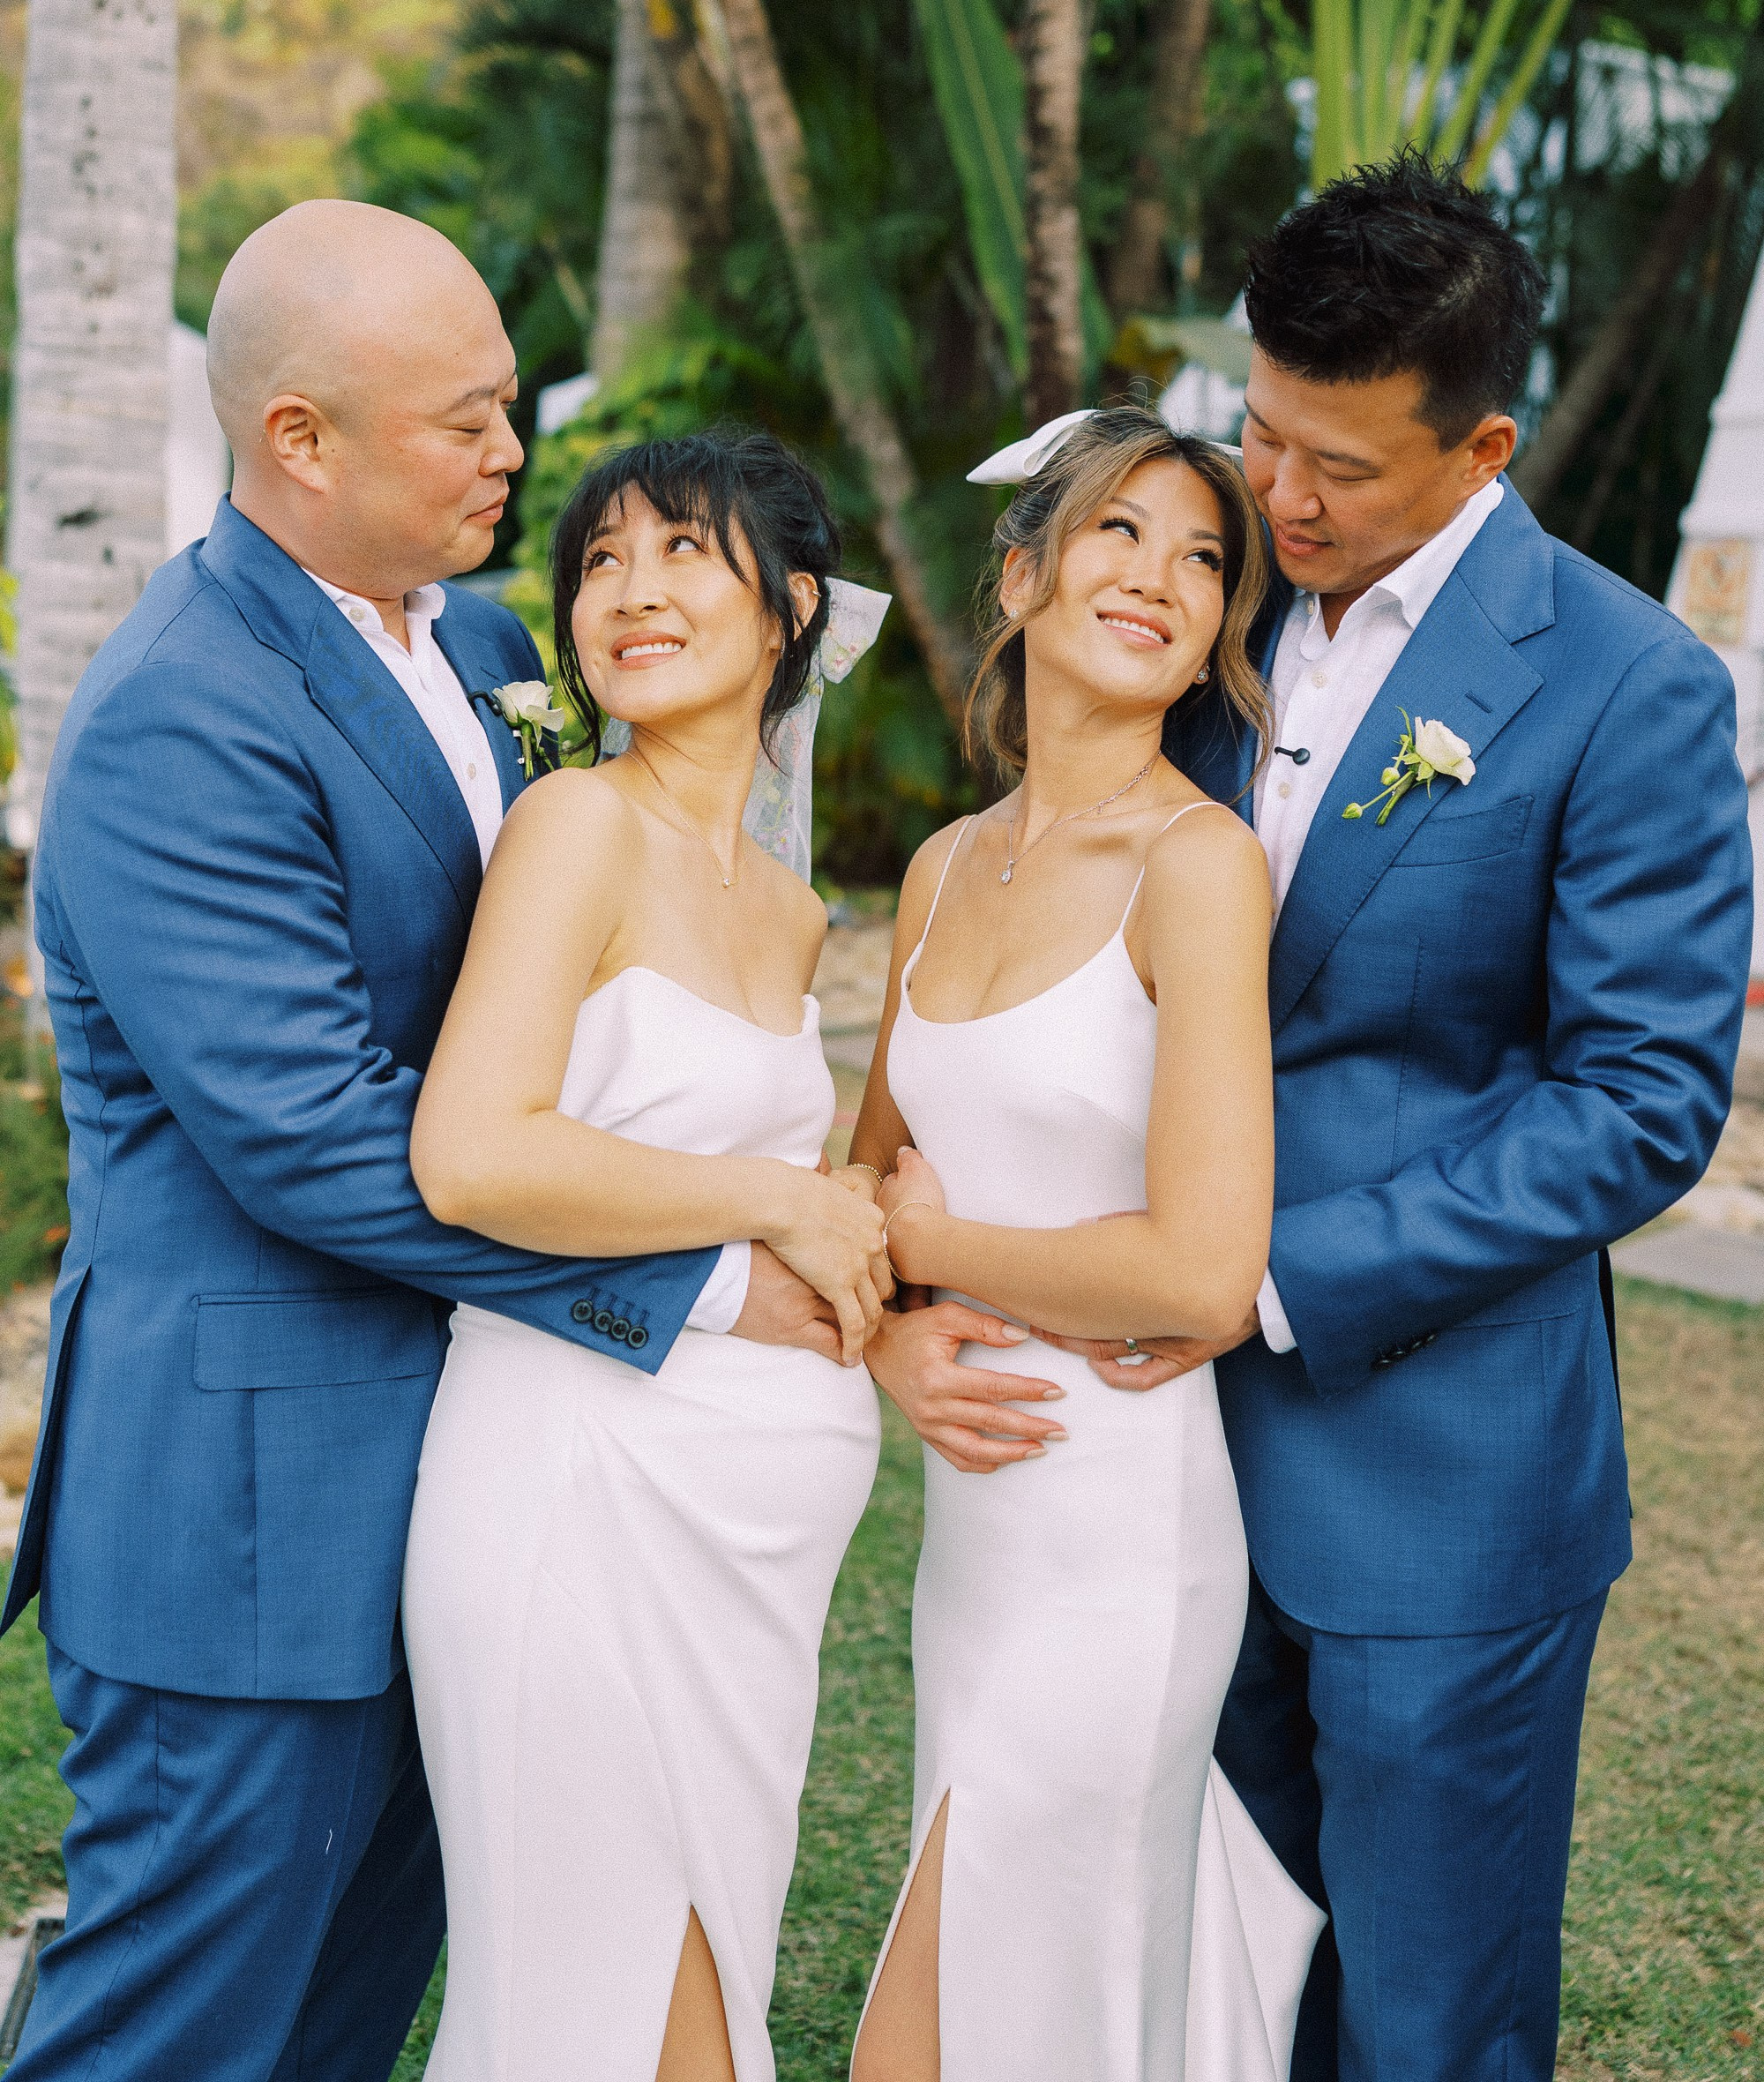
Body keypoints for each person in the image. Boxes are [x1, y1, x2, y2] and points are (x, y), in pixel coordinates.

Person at [0, 206, 864, 2082]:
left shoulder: (487, 645)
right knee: (172, 2033)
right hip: (249, 1508)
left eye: (509, 407)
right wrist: (705, 1275)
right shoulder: (180, 717)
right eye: (467, 422)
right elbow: (310, 1138)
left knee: (342, 2024)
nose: (515, 457)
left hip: (483, 1492)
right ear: (300, 440)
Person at [1036, 154, 1755, 2080]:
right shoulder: (1192, 615)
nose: (1277, 499)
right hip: (1145, 1464)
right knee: (1192, 1982)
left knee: (1421, 2021)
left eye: (1334, 468)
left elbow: (1635, 1105)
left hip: (1435, 1475)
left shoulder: (1626, 688)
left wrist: (1260, 1279)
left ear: (1482, 444)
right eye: (1259, 435)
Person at [402, 428, 887, 2082]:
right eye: (600, 560)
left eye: (684, 549)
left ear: (792, 608)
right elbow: (473, 1156)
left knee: (705, 1990)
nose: (631, 590)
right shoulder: (574, 831)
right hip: (572, 1498)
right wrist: (775, 1204)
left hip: (750, 1554)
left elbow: (796, 1190)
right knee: (589, 2011)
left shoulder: (790, 904)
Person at [847, 407, 1325, 2082]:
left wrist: (948, 1240)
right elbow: (869, 1206)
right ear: (1023, 574)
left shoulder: (1202, 870)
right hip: (978, 1532)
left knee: (967, 2012)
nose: (1163, 578)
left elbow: (1201, 1268)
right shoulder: (936, 871)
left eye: (1206, 560)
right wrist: (899, 1332)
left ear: (1218, 635)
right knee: (1007, 1988)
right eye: (1122, 532)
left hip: (1126, 1519)